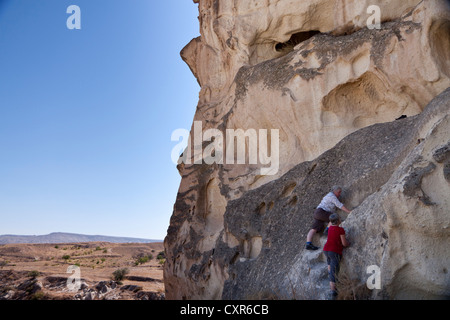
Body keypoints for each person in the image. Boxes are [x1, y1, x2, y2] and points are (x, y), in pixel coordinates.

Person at [305, 185, 351, 250]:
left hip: (317, 212)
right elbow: (339, 205)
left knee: (314, 229)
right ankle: (327, 230)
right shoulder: (332, 196)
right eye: (339, 192)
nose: (339, 194)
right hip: (321, 211)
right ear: (334, 191)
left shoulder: (329, 195)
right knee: (334, 217)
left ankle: (308, 243)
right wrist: (349, 212)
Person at [323, 213, 350, 298]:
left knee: (330, 267)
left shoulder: (330, 228)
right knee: (333, 272)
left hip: (326, 250)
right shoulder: (340, 230)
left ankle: (331, 283)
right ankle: (333, 291)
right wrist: (349, 243)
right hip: (334, 251)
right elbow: (344, 243)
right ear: (338, 221)